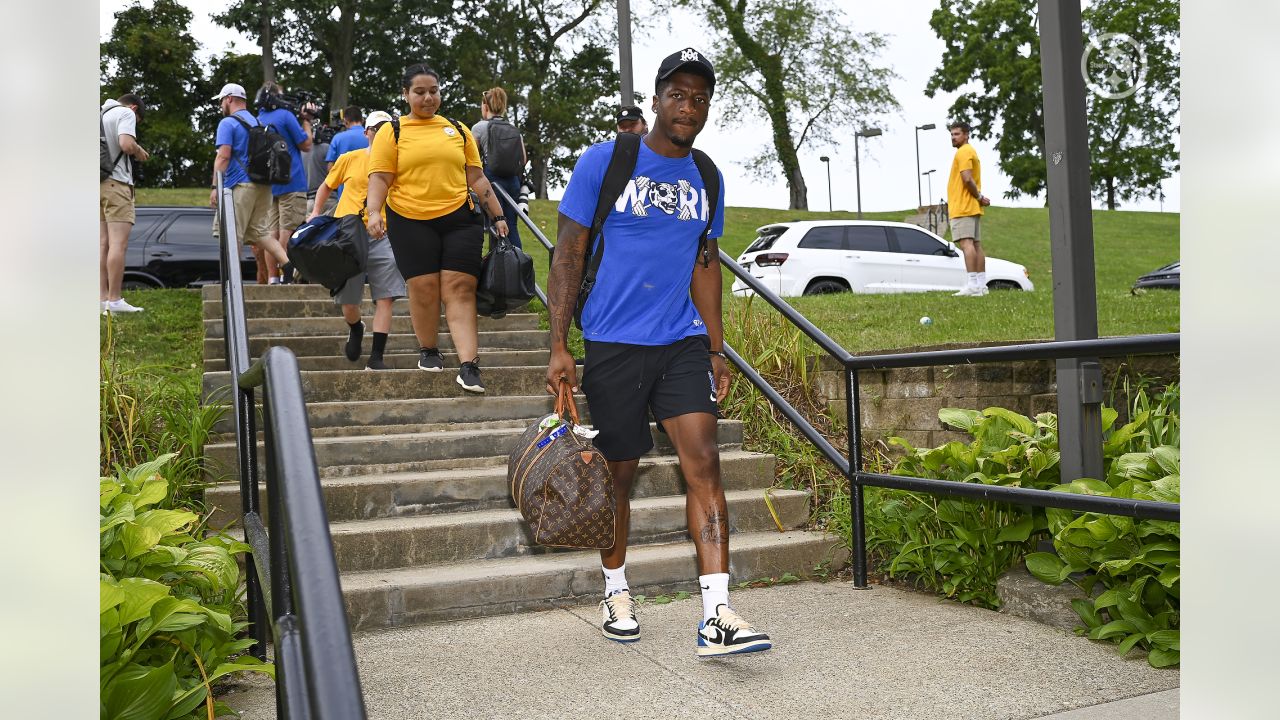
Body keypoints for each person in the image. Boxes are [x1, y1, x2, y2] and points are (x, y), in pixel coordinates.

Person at [546, 48, 771, 657]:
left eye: (699, 98)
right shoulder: (607, 162)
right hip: (614, 343)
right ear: (656, 99)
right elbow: (566, 255)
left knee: (705, 463)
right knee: (619, 475)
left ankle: (717, 613)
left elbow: (706, 265)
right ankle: (616, 588)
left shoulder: (708, 176)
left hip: (681, 342)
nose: (688, 107)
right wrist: (559, 344)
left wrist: (717, 348)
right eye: (678, 95)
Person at [365, 63, 511, 394]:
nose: (428, 97)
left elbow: (476, 177)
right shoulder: (393, 131)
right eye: (420, 92)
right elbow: (380, 178)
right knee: (425, 287)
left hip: (460, 218)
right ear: (405, 95)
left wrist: (499, 215)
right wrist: (373, 211)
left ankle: (469, 365)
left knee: (460, 287)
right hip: (409, 219)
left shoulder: (458, 129)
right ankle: (429, 349)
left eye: (434, 91)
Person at [309, 111, 406, 370]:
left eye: (387, 128)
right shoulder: (349, 158)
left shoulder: (400, 162)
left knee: (385, 297)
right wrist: (316, 213)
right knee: (349, 301)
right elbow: (327, 186)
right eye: (377, 128)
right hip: (348, 235)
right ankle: (355, 327)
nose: (381, 133)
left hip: (384, 235)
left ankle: (377, 357)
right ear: (367, 133)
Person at [209, 83, 290, 278]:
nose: (221, 105)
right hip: (263, 185)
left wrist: (215, 187)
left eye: (221, 101)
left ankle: (232, 280)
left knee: (232, 234)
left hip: (241, 185)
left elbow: (223, 156)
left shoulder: (227, 123)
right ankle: (289, 266)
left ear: (229, 99)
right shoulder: (258, 123)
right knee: (259, 233)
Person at [257, 83, 313, 284]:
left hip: (270, 185)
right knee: (288, 232)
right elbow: (306, 144)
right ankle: (286, 276)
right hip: (292, 181)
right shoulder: (285, 116)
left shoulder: (259, 118)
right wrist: (307, 120)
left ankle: (273, 278)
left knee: (272, 233)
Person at [100, 93, 150, 315]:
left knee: (102, 244)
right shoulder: (125, 113)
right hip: (117, 184)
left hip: (96, 184)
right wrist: (139, 151)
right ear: (134, 108)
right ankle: (115, 300)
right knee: (118, 244)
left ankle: (101, 300)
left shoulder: (99, 115)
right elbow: (126, 143)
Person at [472, 87, 526, 248]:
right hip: (513, 181)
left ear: (485, 106)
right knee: (512, 226)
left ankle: (498, 265)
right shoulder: (513, 129)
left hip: (491, 180)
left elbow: (471, 156)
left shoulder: (479, 127)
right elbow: (523, 158)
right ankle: (516, 263)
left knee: (496, 222)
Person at [946, 120, 992, 296]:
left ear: (966, 135)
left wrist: (979, 196)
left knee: (966, 244)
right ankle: (981, 285)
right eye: (952, 134)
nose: (953, 137)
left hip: (963, 206)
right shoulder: (970, 151)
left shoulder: (963, 152)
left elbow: (967, 179)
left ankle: (973, 284)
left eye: (957, 134)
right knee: (976, 245)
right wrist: (979, 199)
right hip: (971, 206)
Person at [326, 106, 370, 170]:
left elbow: (330, 167)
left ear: (345, 121)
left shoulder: (337, 138)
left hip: (344, 179)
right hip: (368, 178)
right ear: (362, 120)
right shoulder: (371, 137)